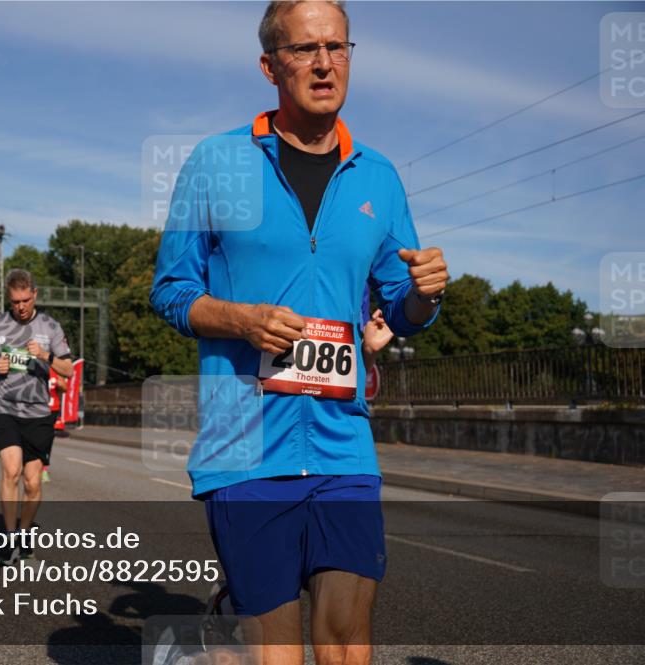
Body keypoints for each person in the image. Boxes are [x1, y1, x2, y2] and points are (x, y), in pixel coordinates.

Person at [149, 3, 449, 664]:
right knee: (277, 654)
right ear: (270, 65)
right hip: (246, 448)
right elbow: (170, 290)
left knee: (346, 639)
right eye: (305, 49)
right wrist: (242, 318)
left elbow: (399, 306)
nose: (323, 62)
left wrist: (424, 296)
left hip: (344, 446)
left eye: (337, 46)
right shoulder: (216, 161)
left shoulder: (379, 176)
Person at [0, 269, 74, 564]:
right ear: (9, 298)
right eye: (15, 301)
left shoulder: (50, 327)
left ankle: (24, 533)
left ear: (35, 295)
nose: (21, 306)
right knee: (11, 471)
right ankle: (7, 538)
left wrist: (45, 355)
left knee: (32, 483)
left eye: (26, 300)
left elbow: (68, 369)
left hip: (38, 414)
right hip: (5, 409)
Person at [42, 369, 69, 483]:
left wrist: (61, 384)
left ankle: (44, 469)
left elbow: (64, 388)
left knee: (47, 440)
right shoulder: (33, 365)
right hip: (35, 409)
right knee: (33, 438)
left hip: (52, 409)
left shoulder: (55, 370)